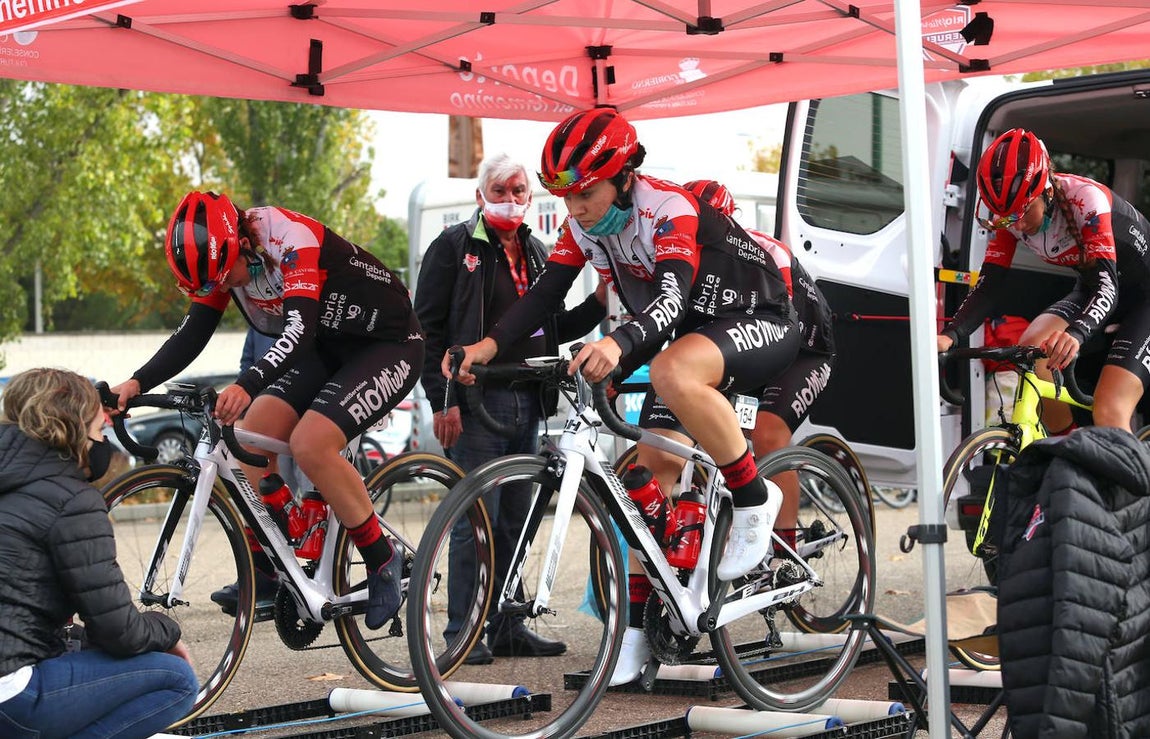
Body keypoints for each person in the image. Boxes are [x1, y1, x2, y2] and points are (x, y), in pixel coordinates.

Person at [450, 108, 799, 683]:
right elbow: (543, 298)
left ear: (624, 175)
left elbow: (669, 298)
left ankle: (754, 499)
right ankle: (637, 635)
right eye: (564, 195)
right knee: (646, 479)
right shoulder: (584, 225)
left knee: (670, 371)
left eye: (585, 192)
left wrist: (617, 345)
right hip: (688, 338)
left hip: (757, 318)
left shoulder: (670, 208)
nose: (574, 207)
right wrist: (488, 344)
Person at [111, 191, 423, 630]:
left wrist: (247, 383)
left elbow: (298, 329)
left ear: (241, 242)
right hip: (326, 347)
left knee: (311, 443)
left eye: (224, 277)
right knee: (245, 435)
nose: (223, 288)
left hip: (386, 346)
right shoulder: (225, 264)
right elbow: (191, 333)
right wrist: (136, 382)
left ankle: (381, 556)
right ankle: (273, 567)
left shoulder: (287, 237)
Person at [416, 152, 607, 665]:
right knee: (473, 521)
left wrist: (600, 304)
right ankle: (464, 632)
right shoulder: (453, 247)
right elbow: (426, 334)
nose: (510, 199)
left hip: (530, 399)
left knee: (516, 523)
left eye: (519, 191)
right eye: (499, 191)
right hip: (476, 402)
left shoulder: (538, 250)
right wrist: (443, 401)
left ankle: (506, 626)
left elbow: (551, 326)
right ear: (481, 196)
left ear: (531, 197)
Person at [0, 368, 198, 737]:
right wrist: (167, 631)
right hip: (12, 695)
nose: (104, 441)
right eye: (100, 431)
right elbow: (119, 631)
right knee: (175, 679)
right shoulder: (72, 499)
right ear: (72, 430)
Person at [938, 128, 1150, 433]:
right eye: (1007, 218)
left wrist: (1076, 333)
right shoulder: (1008, 217)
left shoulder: (1086, 202)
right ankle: (1068, 447)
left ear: (1046, 192)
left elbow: (1108, 286)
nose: (1018, 225)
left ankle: (1130, 477)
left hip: (1140, 297)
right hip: (1095, 289)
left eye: (1023, 213)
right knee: (1032, 346)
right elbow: (990, 283)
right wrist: (952, 334)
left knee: (1109, 410)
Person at [682, 179, 836, 550]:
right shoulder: (682, 258)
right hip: (748, 345)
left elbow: (777, 321)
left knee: (767, 434)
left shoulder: (765, 252)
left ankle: (785, 549)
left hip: (803, 349)